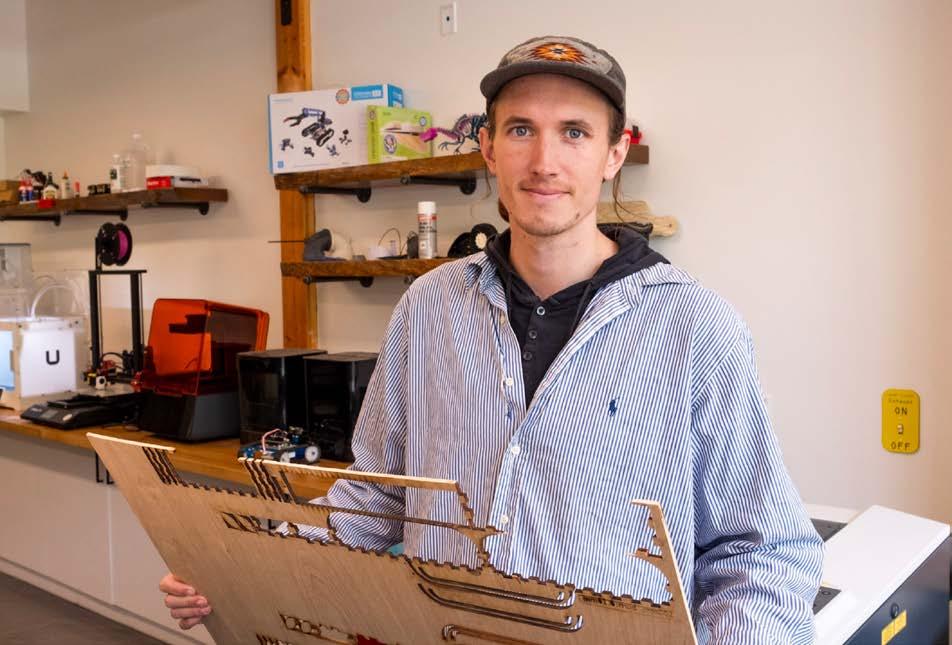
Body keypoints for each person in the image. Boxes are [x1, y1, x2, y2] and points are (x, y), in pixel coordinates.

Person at [161, 35, 823, 642]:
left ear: (614, 153)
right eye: (520, 129)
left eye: (574, 132)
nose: (544, 161)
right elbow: (375, 497)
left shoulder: (695, 326)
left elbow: (762, 552)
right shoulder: (429, 307)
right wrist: (241, 565)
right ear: (488, 147)